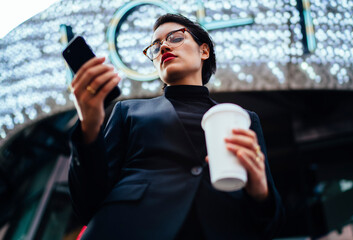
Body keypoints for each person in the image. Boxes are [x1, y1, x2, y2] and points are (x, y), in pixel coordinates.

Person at [68, 13, 284, 239]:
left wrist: (261, 192)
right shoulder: (127, 112)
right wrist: (89, 128)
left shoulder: (243, 119)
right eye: (156, 46)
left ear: (204, 51)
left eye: (175, 38)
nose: (163, 47)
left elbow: (271, 225)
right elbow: (87, 205)